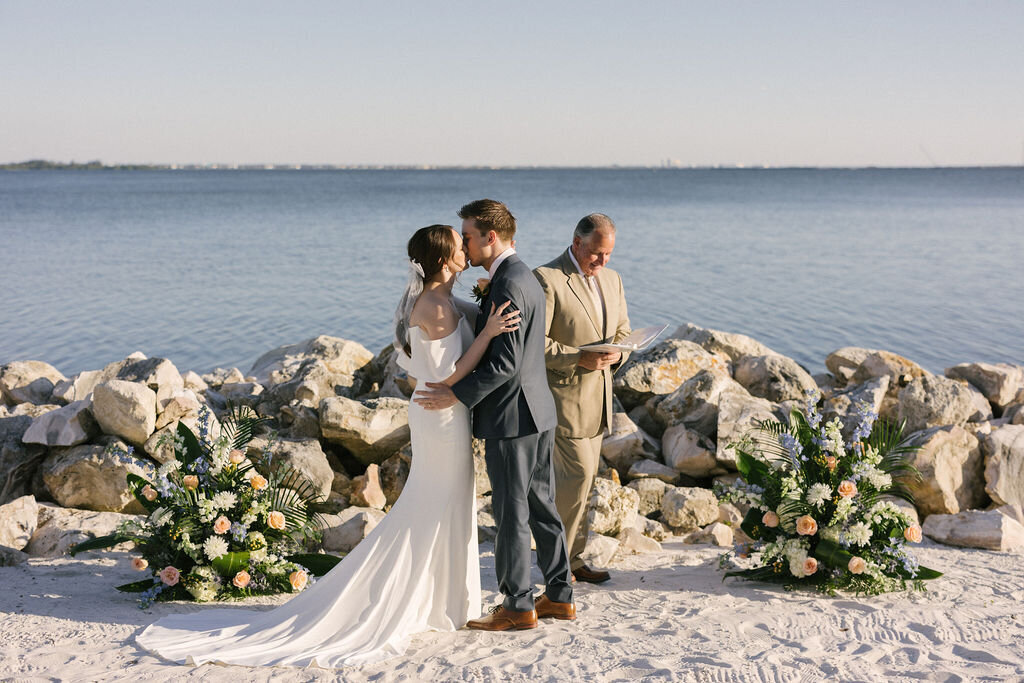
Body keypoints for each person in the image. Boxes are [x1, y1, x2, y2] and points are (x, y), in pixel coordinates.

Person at [135, 224, 521, 668]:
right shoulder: (434, 305)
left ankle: (445, 601)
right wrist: (489, 332)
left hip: (442, 409)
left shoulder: (445, 300)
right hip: (440, 409)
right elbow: (444, 375)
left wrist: (488, 305)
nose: (464, 249)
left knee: (445, 501)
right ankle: (429, 600)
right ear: (442, 259)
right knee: (435, 501)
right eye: (458, 246)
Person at [415, 199, 575, 631]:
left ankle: (518, 605)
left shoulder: (506, 283)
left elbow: (503, 364)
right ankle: (560, 595)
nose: (464, 243)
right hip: (538, 410)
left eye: (467, 235)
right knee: (541, 505)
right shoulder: (520, 275)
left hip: (511, 417)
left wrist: (455, 394)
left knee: (511, 513)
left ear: (490, 236)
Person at [533, 213, 630, 584]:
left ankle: (572, 560)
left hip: (601, 400)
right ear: (577, 243)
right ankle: (556, 568)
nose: (602, 262)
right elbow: (535, 345)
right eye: (596, 253)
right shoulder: (547, 279)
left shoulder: (613, 279)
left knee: (586, 484)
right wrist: (579, 357)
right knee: (575, 479)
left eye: (608, 254)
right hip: (564, 399)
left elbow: (622, 330)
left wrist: (620, 353)